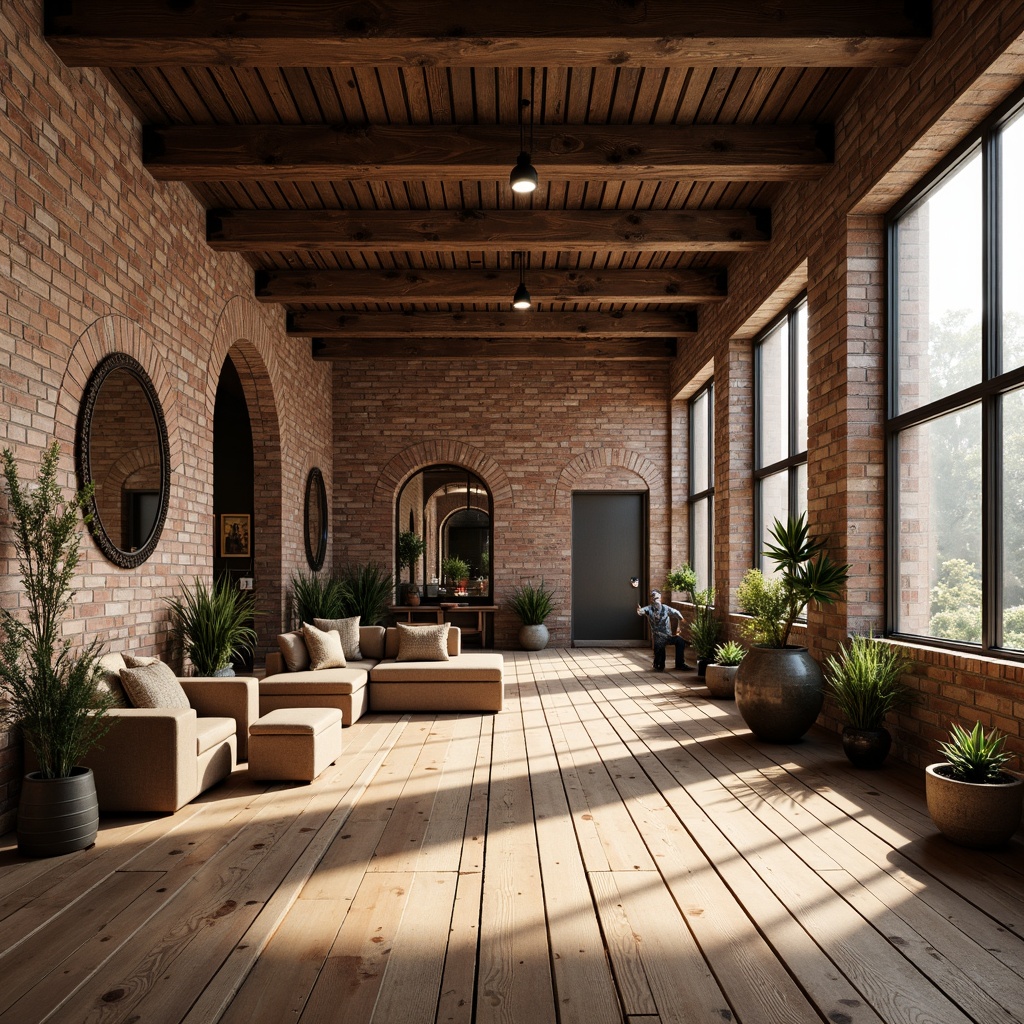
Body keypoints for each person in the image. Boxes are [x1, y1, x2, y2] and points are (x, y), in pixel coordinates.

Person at [636, 589, 691, 671]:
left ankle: (680, 663)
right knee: (660, 665)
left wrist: (681, 619)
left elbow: (676, 612)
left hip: (668, 636)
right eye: (654, 598)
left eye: (657, 598)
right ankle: (658, 663)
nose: (656, 600)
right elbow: (641, 611)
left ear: (660, 599)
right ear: (651, 599)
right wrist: (639, 610)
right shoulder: (649, 609)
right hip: (658, 638)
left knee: (680, 641)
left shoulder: (665, 608)